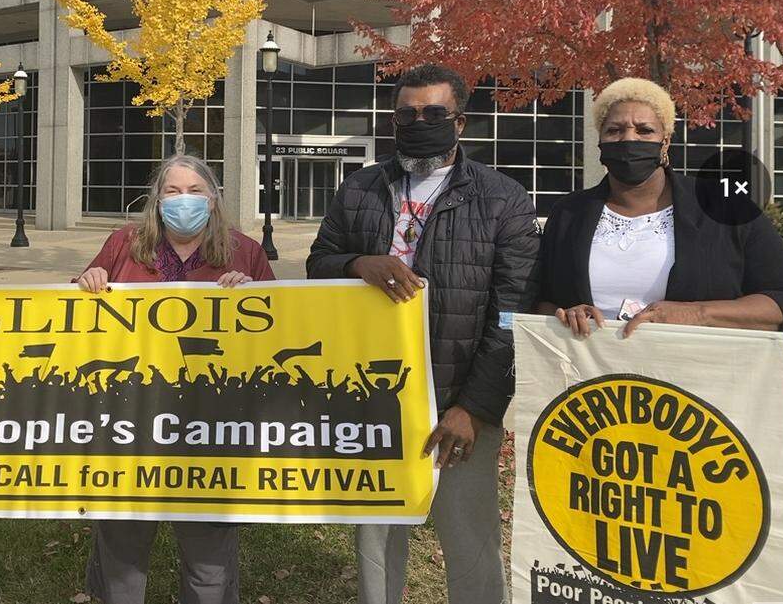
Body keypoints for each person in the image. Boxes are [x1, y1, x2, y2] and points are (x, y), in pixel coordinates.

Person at [307, 63, 539, 604]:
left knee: (470, 543)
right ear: (393, 121)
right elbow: (319, 263)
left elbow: (512, 315)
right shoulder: (359, 187)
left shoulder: (501, 197)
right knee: (377, 548)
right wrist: (357, 263)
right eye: (408, 114)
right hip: (375, 398)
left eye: (435, 113)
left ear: (460, 123)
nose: (420, 122)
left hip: (458, 401)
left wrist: (476, 409)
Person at [76, 154, 275, 604]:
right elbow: (76, 322)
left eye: (194, 191)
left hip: (210, 428)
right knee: (122, 556)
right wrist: (87, 280)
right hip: (129, 425)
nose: (183, 201)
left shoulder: (246, 250)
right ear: (156, 199)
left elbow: (276, 330)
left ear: (212, 198)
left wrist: (255, 295)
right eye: (172, 191)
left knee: (209, 562)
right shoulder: (123, 243)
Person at [537, 77, 783, 336]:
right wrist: (563, 313)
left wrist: (698, 314)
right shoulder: (569, 213)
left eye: (644, 130)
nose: (629, 139)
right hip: (593, 374)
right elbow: (541, 299)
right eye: (614, 130)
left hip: (695, 373)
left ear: (665, 141)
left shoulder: (726, 207)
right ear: (601, 143)